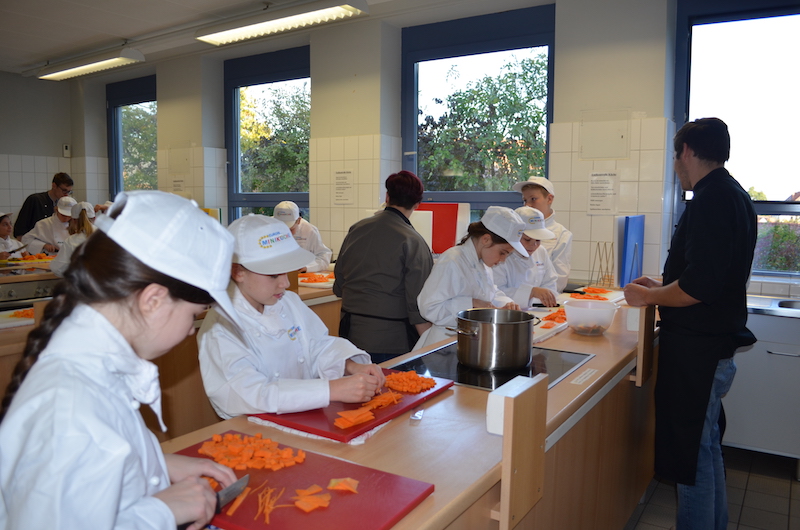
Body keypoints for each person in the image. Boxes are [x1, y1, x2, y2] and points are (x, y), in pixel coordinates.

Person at [0, 190, 240, 530]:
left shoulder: (96, 367)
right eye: (194, 316)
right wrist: (161, 511)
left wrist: (156, 465)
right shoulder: (70, 412)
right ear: (153, 300)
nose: (191, 331)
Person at [623, 118, 756, 530]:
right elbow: (708, 275)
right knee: (706, 448)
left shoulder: (712, 199)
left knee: (691, 458)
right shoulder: (734, 194)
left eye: (674, 155)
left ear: (685, 152)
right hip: (712, 347)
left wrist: (649, 297)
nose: (675, 165)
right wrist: (662, 285)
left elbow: (699, 287)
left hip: (698, 353)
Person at [198, 214, 385, 418]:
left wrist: (350, 365)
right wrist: (331, 390)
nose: (285, 283)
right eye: (273, 275)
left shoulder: (287, 301)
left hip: (306, 415)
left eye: (286, 272)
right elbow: (248, 394)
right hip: (256, 428)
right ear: (237, 272)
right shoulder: (220, 327)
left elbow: (317, 345)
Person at [334, 171, 434, 362]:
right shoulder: (413, 241)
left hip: (351, 333)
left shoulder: (356, 229)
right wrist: (431, 343)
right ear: (417, 204)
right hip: (392, 340)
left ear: (387, 197)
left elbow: (339, 285)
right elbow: (419, 302)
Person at [415, 206, 526, 350]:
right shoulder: (453, 261)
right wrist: (472, 304)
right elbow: (429, 308)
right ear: (486, 239)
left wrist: (505, 305)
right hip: (445, 343)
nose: (503, 260)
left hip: (470, 342)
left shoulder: (483, 262)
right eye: (502, 253)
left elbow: (491, 292)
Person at [512, 176, 573, 292]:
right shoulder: (514, 230)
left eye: (533, 199)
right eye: (525, 200)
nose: (527, 205)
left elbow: (558, 280)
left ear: (549, 199)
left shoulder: (562, 234)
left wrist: (536, 295)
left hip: (542, 299)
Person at [493, 206, 559, 308]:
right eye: (527, 239)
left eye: (538, 240)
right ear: (515, 235)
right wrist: (530, 292)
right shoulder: (501, 255)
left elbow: (550, 283)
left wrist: (538, 298)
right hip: (509, 312)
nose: (534, 245)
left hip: (538, 310)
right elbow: (495, 292)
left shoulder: (541, 251)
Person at [273, 200, 332, 272]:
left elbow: (323, 257)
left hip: (300, 275)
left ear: (298, 221)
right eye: (281, 229)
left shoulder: (309, 230)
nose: (286, 234)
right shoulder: (265, 229)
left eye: (291, 229)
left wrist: (307, 267)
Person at [13, 172, 74, 238]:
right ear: (54, 186)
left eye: (69, 192)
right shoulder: (35, 200)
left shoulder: (65, 204)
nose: (66, 194)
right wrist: (24, 243)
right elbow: (20, 228)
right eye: (64, 190)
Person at [50, 201, 96, 277]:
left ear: (73, 220)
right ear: (94, 218)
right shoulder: (107, 236)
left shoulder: (71, 241)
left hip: (83, 282)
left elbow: (58, 268)